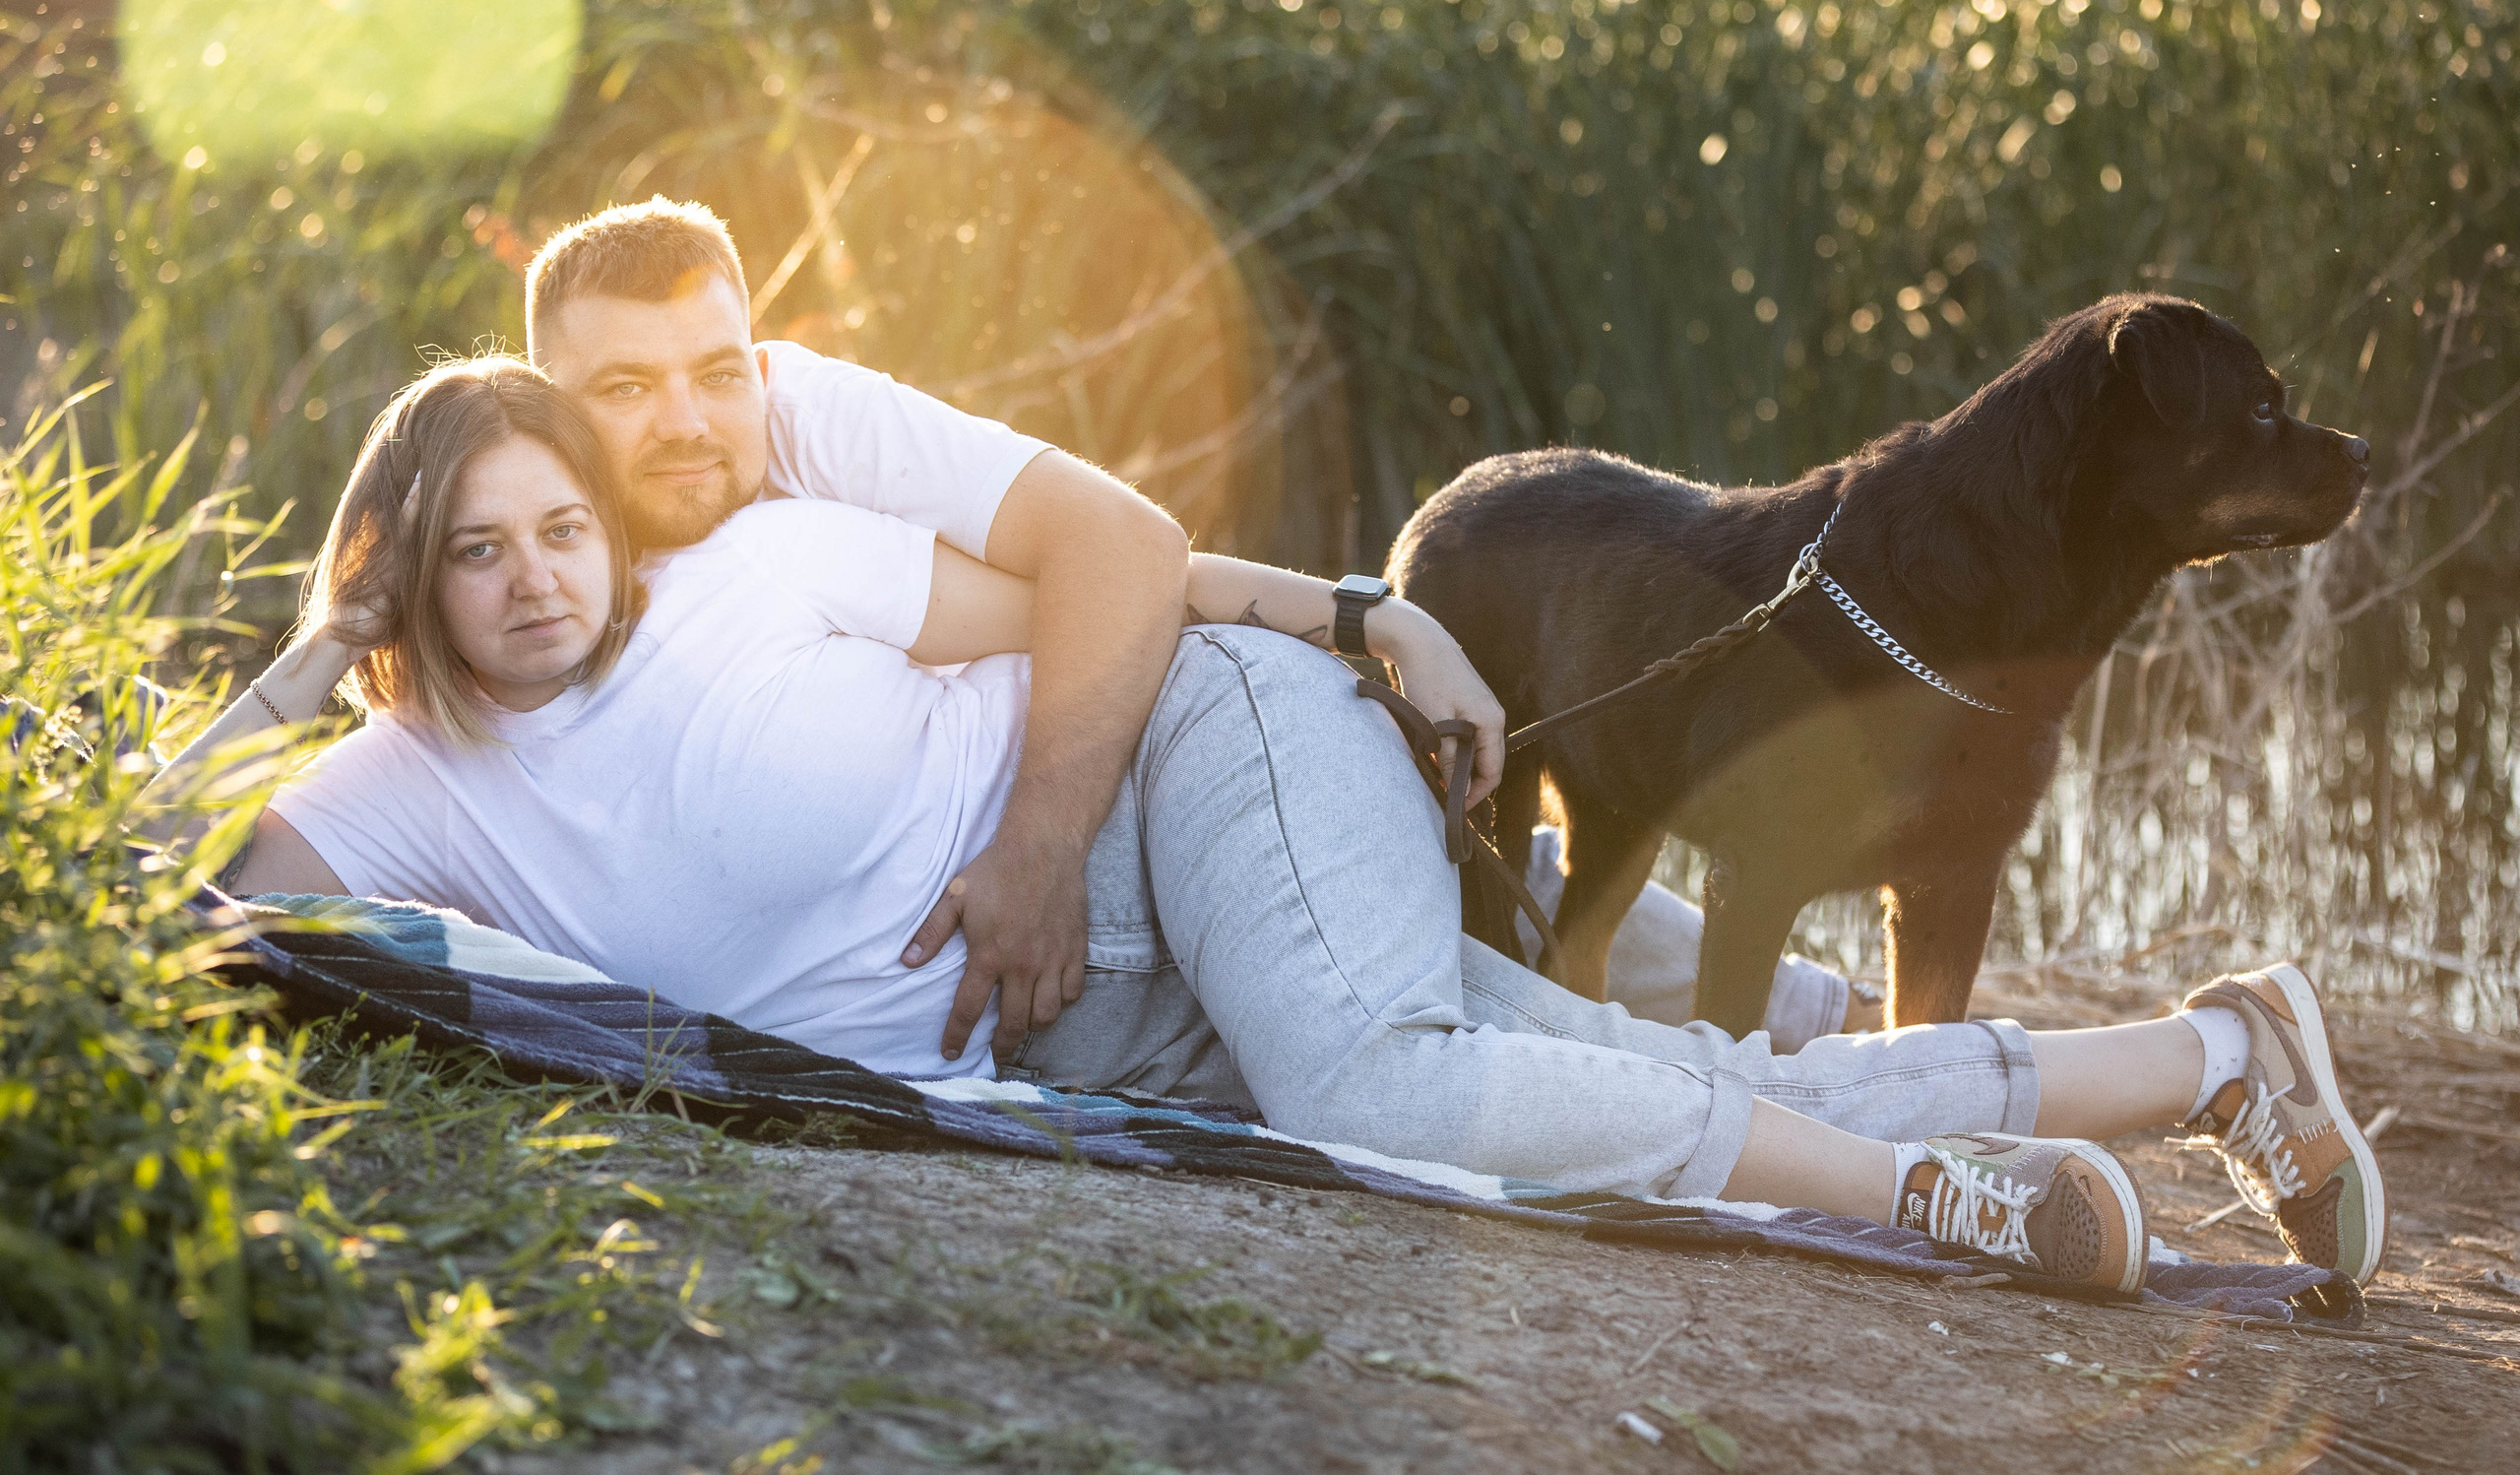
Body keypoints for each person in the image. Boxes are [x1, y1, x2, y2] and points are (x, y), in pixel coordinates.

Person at [145, 351, 2389, 1296]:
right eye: (476, 552)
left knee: (1378, 1081)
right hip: (1123, 1025)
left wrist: (1361, 618)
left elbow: (1127, 584)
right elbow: (160, 886)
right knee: (1621, 1062)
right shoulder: (398, 789)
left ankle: (1924, 1197)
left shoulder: (754, 571)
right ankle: (2213, 1052)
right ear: (403, 579)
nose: (539, 579)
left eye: (561, 525)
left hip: (1206, 778)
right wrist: (298, 653)